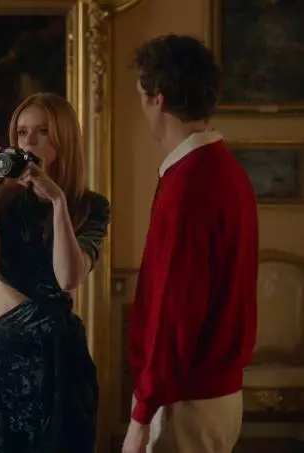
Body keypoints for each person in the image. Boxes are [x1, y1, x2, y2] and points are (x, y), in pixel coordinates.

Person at [122, 35, 259, 453]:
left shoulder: (189, 183)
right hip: (217, 396)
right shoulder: (227, 170)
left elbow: (175, 309)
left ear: (158, 99)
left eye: (141, 97)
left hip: (185, 399)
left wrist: (141, 414)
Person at [0, 92, 111, 452]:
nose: (29, 142)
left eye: (42, 131)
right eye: (21, 132)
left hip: (59, 359)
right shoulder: (1, 202)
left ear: (64, 140)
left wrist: (58, 202)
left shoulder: (89, 206)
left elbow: (68, 277)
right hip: (4, 352)